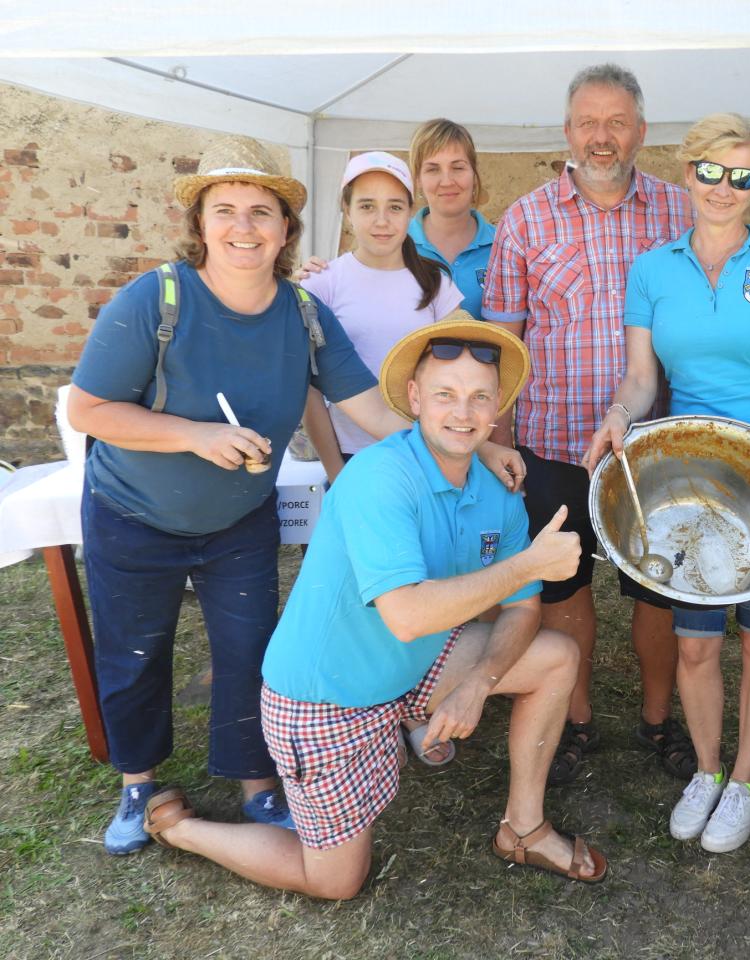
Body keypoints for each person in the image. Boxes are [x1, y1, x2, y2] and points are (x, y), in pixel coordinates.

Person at [138, 315, 607, 897]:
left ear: (496, 410)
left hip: (413, 665)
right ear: (415, 398)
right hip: (326, 698)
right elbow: (407, 615)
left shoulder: (497, 488)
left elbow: (521, 610)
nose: (462, 413)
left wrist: (479, 684)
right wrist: (528, 565)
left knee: (556, 655)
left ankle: (524, 828)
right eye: (445, 394)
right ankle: (184, 831)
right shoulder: (379, 476)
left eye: (479, 397)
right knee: (336, 882)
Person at [67, 135, 408, 855]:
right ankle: (138, 784)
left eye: (261, 212)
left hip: (238, 519)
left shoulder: (304, 314)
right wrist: (194, 436)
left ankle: (257, 784)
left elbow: (370, 407)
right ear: (201, 224)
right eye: (225, 210)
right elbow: (89, 411)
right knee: (134, 654)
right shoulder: (156, 299)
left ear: (286, 230)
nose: (243, 227)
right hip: (133, 515)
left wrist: (461, 442)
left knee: (252, 651)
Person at [586, 112, 750, 853]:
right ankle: (705, 769)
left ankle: (745, 782)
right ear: (687, 173)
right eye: (711, 172)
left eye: (743, 175)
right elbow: (640, 378)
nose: (725, 188)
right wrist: (617, 416)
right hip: (691, 475)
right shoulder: (652, 269)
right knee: (695, 645)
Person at [482, 63, 698, 785]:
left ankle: (658, 721)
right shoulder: (526, 219)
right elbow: (504, 343)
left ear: (641, 131)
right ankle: (574, 721)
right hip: (554, 446)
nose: (601, 138)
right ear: (567, 131)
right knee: (563, 590)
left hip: (653, 446)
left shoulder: (681, 212)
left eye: (616, 123)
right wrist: (500, 442)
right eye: (588, 123)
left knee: (658, 589)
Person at [299, 150, 524, 766]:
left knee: (431, 579)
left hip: (431, 458)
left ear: (411, 211)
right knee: (375, 593)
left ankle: (421, 707)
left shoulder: (431, 281)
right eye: (367, 206)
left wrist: (485, 440)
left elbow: (472, 359)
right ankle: (368, 705)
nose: (381, 220)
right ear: (346, 213)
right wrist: (337, 468)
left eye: (395, 206)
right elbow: (311, 392)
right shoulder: (322, 286)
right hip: (359, 458)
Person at [405, 119, 497, 318]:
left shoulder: (504, 245)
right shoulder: (397, 244)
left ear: (474, 174)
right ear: (418, 179)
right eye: (433, 169)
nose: (446, 181)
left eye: (457, 168)